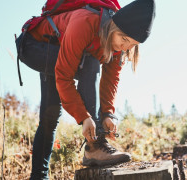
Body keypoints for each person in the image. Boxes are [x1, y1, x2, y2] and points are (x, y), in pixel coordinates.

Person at [26, 0, 155, 179]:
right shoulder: (85, 22)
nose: (126, 47)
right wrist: (84, 117)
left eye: (132, 45)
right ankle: (94, 147)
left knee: (52, 113)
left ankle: (93, 147)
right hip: (37, 44)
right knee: (52, 113)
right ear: (113, 26)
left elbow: (110, 81)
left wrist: (107, 114)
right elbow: (64, 77)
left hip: (68, 50)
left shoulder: (120, 45)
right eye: (124, 40)